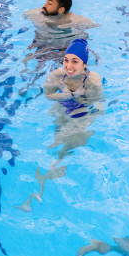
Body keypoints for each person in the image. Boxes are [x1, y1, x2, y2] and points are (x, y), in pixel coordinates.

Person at [17, 39, 103, 211]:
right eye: (66, 60)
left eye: (75, 61)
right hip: (61, 110)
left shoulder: (93, 79)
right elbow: (48, 95)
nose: (69, 65)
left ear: (84, 64)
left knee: (64, 150)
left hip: (81, 115)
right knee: (55, 147)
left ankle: (39, 190)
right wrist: (64, 97)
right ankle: (39, 190)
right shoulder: (57, 75)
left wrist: (87, 121)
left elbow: (98, 105)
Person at [22, 0, 99, 90]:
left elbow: (93, 28)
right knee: (34, 73)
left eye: (49, 3)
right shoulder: (36, 15)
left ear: (61, 10)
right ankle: (31, 88)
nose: (44, 5)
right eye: (46, 1)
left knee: (73, 79)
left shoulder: (77, 21)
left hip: (65, 50)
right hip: (43, 47)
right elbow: (25, 15)